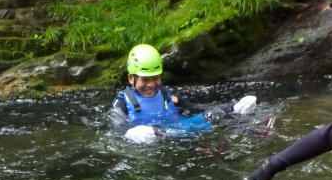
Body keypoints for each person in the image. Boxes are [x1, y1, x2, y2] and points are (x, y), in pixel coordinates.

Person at [110, 44, 257, 138]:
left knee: (211, 115)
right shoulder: (122, 102)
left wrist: (233, 108)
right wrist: (128, 134)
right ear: (131, 78)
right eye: (145, 80)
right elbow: (114, 129)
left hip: (182, 130)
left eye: (155, 78)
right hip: (153, 137)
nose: (151, 85)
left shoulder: (166, 95)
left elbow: (194, 109)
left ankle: (247, 124)